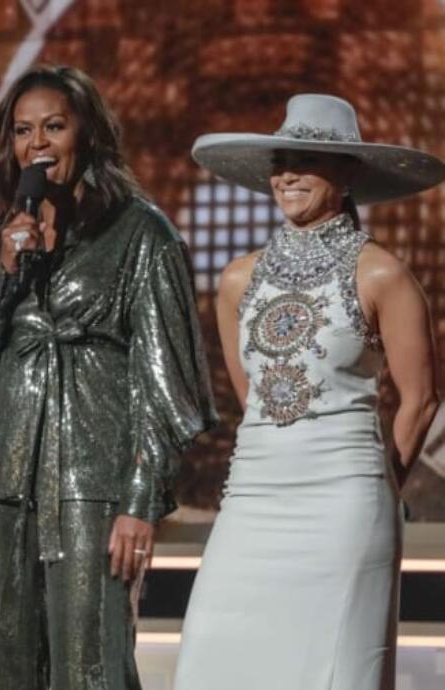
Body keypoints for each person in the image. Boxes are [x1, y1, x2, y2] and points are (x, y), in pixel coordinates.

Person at [0, 65, 216, 690]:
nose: (39, 144)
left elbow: (166, 383)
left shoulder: (142, 234)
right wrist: (3, 275)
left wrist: (141, 500)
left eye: (54, 126)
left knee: (91, 664)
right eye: (24, 130)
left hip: (93, 481)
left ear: (88, 135)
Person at [174, 94, 443, 689]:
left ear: (347, 174)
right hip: (254, 499)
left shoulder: (384, 274)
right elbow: (255, 402)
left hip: (346, 503)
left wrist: (373, 481)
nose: (287, 174)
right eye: (280, 160)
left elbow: (421, 398)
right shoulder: (237, 279)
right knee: (216, 660)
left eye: (307, 159)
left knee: (334, 668)